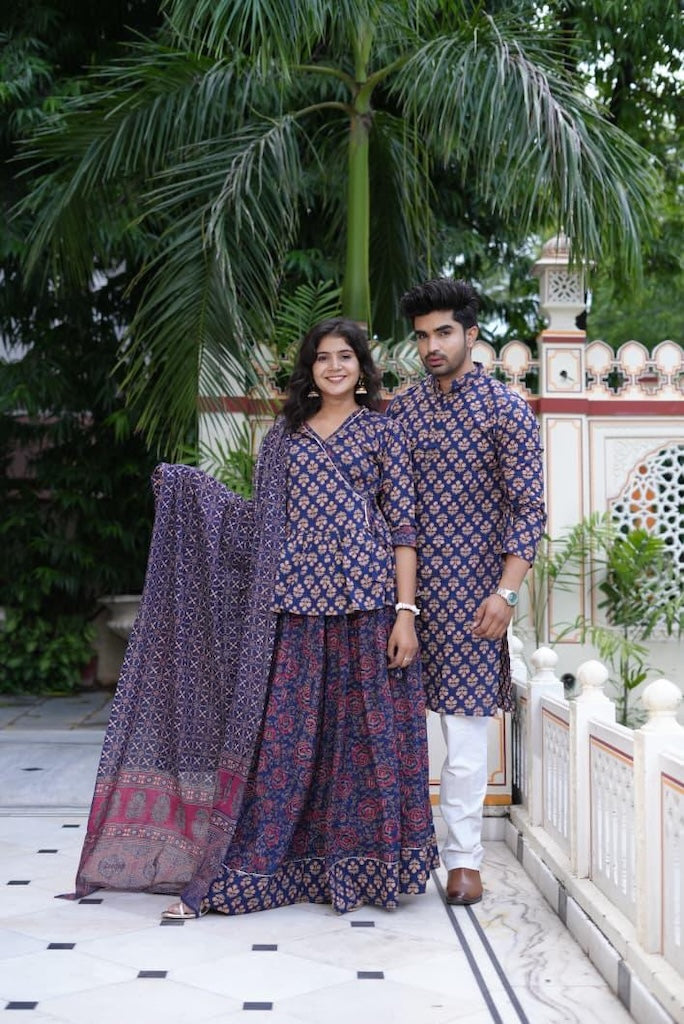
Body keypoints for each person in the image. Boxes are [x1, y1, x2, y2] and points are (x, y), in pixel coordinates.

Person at [69, 317, 438, 919]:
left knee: (365, 740)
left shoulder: (383, 433)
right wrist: (193, 494)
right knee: (286, 743)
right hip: (294, 606)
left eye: (346, 357)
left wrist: (405, 613)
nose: (335, 367)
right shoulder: (283, 439)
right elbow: (257, 529)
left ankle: (361, 868)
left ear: (363, 368)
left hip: (369, 604)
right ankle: (264, 865)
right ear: (309, 370)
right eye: (323, 358)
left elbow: (403, 531)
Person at [387, 279, 546, 906]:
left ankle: (462, 861)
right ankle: (387, 849)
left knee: (463, 740)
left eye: (443, 332)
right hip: (395, 597)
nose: (431, 345)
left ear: (471, 334)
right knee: (388, 732)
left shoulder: (505, 409)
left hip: (473, 602)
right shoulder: (401, 411)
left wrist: (505, 593)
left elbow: (527, 511)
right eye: (422, 335)